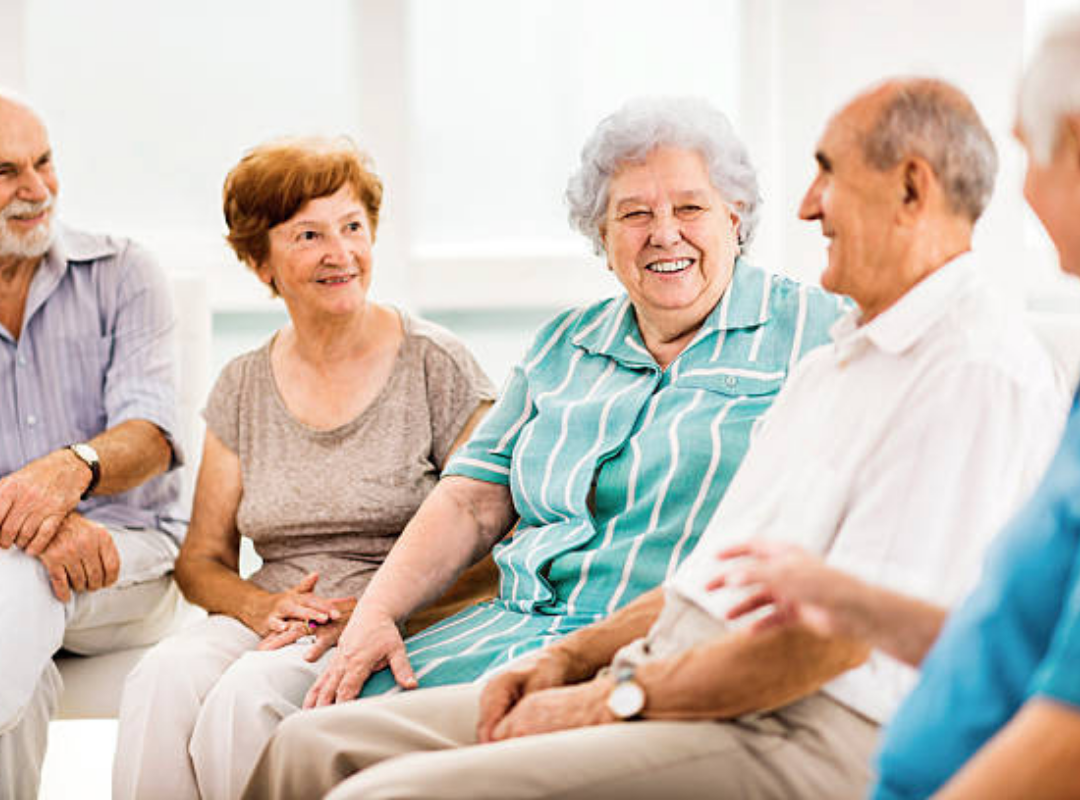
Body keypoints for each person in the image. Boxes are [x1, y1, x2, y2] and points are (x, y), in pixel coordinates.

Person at [242, 80, 1067, 800]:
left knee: (380, 794)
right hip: (659, 663)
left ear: (912, 188)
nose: (807, 205)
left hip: (788, 716)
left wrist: (612, 696)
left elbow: (832, 649)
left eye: (827, 173)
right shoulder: (851, 359)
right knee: (309, 747)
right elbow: (711, 574)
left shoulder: (957, 368)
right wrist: (571, 661)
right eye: (634, 214)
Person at [299, 95, 844, 713]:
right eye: (634, 214)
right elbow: (471, 500)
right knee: (318, 713)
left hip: (652, 654)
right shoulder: (563, 344)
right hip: (505, 633)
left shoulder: (820, 332)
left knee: (334, 745)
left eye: (690, 207)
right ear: (602, 238)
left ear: (735, 217)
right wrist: (376, 612)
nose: (664, 233)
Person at [111, 136, 497, 800]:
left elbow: (494, 535)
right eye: (308, 235)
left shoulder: (439, 364)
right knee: (160, 680)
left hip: (391, 615)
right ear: (261, 263)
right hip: (277, 614)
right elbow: (201, 558)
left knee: (246, 699)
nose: (340, 252)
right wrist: (261, 608)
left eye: (352, 227)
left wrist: (380, 607)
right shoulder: (243, 384)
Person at [0, 91, 187, 799]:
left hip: (129, 558)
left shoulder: (122, 271)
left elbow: (151, 437)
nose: (36, 191)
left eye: (44, 162)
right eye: (6, 173)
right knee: (20, 641)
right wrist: (24, 518)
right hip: (8, 566)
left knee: (15, 579)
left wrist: (68, 471)